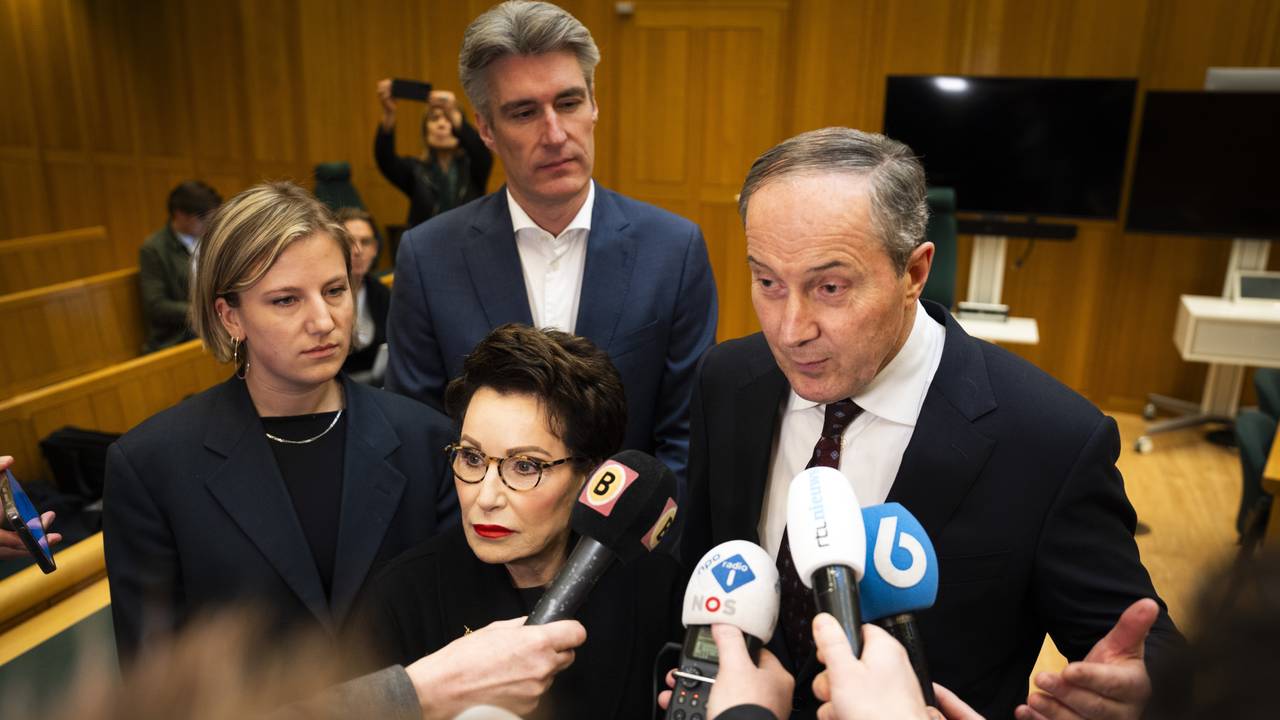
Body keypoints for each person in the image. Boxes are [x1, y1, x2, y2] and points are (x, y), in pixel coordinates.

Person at [678, 127, 1183, 719]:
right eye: (767, 282)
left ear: (915, 272)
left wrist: (1153, 693)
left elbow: (1148, 652)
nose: (791, 330)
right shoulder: (727, 380)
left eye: (831, 287)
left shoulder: (1050, 440)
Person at [102, 182, 457, 664]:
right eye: (286, 300)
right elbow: (155, 679)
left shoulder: (426, 438)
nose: (324, 320)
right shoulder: (151, 466)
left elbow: (454, 628)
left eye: (335, 290)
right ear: (230, 317)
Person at [384, 0, 717, 493]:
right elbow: (419, 437)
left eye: (568, 103)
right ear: (485, 129)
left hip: (628, 555)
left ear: (594, 103)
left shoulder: (674, 249)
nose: (556, 134)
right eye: (524, 112)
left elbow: (685, 441)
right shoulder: (428, 257)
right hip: (477, 553)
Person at [363, 324, 684, 719]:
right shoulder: (399, 600)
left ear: (592, 475)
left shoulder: (657, 588)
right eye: (472, 458)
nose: (486, 497)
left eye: (525, 466)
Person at [375, 82, 493, 228]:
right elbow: (385, 159)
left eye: (448, 119)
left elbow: (480, 148)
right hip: (427, 246)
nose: (441, 124)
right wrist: (389, 112)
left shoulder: (474, 165)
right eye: (434, 118)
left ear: (459, 128)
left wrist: (453, 111)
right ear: (426, 132)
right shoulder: (415, 170)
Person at [139, 180, 221, 353]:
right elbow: (156, 305)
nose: (210, 226)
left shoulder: (211, 239)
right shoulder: (154, 249)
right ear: (180, 215)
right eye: (204, 220)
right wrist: (201, 312)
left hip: (214, 324)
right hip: (178, 335)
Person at [335, 207, 390, 380]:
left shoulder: (383, 294)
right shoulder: (318, 293)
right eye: (349, 242)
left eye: (365, 242)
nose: (358, 251)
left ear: (375, 249)